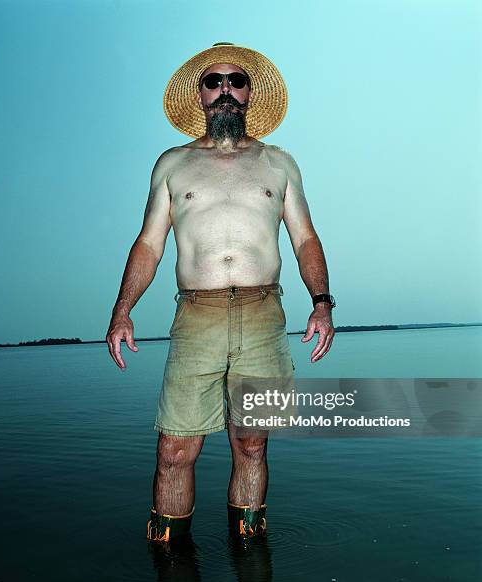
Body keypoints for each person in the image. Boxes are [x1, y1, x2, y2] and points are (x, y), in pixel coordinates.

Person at [105, 42, 336, 543]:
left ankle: (250, 554)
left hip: (262, 313)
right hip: (196, 317)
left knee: (252, 443)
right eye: (214, 82)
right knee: (173, 449)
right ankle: (170, 559)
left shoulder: (280, 164)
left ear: (250, 94)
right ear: (202, 96)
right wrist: (123, 310)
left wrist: (322, 302)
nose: (226, 90)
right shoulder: (172, 164)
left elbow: (305, 238)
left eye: (236, 81)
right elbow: (148, 243)